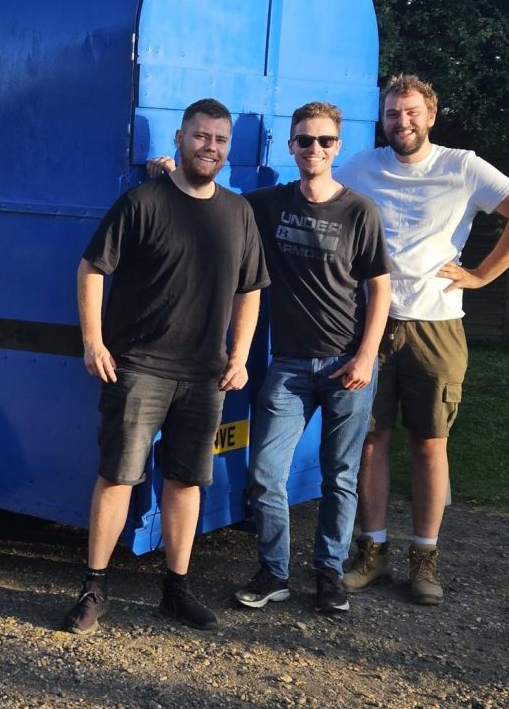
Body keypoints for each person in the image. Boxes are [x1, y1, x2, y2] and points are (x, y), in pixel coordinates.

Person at [150, 102, 392, 614]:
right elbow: (214, 199)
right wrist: (170, 171)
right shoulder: (268, 204)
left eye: (324, 141)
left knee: (340, 475)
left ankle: (329, 573)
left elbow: (380, 290)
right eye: (304, 140)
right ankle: (274, 572)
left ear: (337, 147)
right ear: (291, 146)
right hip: (289, 366)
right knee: (264, 472)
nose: (314, 149)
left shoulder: (360, 211)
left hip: (348, 364)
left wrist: (366, 356)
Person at [335, 74, 509, 605]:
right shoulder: (360, 167)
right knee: (370, 442)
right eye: (392, 113)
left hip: (437, 326)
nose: (401, 121)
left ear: (431, 115)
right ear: (382, 119)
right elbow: (313, 193)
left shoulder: (463, 166)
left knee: (429, 444)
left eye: (411, 112)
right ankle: (371, 552)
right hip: (372, 322)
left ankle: (424, 560)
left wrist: (481, 275)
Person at [64, 98, 270, 635]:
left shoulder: (238, 212)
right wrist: (93, 342)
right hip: (137, 368)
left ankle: (175, 591)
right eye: (201, 136)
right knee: (118, 477)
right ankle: (93, 588)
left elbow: (250, 289)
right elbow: (92, 268)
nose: (210, 147)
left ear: (228, 148)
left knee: (186, 481)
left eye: (220, 139)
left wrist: (239, 355)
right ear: (180, 139)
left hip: (205, 375)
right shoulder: (142, 202)